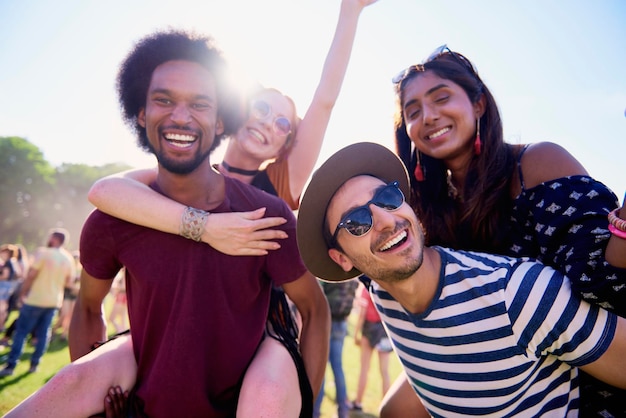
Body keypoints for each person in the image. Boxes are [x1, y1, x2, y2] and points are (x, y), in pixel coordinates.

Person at [59, 28, 327, 418]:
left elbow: (325, 102)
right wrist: (206, 227)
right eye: (164, 100)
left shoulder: (273, 205)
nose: (180, 116)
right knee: (64, 389)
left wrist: (304, 401)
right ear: (141, 112)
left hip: (261, 354)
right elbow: (104, 192)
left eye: (283, 124)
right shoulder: (131, 206)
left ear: (221, 119)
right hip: (162, 369)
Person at [296, 141, 626, 417]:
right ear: (342, 259)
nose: (385, 220)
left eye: (386, 198)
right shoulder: (384, 291)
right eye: (356, 221)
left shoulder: (518, 293)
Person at [385, 44, 626, 417]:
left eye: (441, 98)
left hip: (581, 369)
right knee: (393, 411)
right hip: (494, 359)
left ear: (478, 104)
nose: (428, 117)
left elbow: (599, 280)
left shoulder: (536, 164)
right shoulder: (427, 207)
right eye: (413, 111)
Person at [0, 229, 75, 376]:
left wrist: (22, 293)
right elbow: (68, 283)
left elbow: (31, 275)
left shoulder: (43, 253)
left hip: (35, 299)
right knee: (43, 334)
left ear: (54, 239)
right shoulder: (68, 259)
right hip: (54, 302)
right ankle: (34, 365)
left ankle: (11, 366)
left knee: (21, 332)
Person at [313, 279, 358, 418]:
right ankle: (343, 411)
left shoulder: (329, 276)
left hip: (326, 323)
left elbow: (317, 297)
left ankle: (315, 412)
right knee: (338, 367)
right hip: (341, 324)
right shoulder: (352, 278)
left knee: (321, 369)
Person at [349, 284, 392, 412]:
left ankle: (358, 402)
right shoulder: (385, 286)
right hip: (384, 330)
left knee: (364, 369)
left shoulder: (365, 288)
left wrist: (356, 334)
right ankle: (388, 406)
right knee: (384, 371)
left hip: (369, 330)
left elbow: (362, 314)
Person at [0, 244, 20, 331]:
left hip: (3, 286)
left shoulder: (8, 262)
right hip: (8, 286)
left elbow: (5, 275)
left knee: (1, 308)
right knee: (3, 307)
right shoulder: (13, 262)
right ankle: (2, 325)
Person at [108, 268, 128, 334]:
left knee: (111, 318)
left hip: (121, 297)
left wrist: (116, 287)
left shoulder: (125, 272)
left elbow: (124, 286)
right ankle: (124, 333)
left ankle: (120, 331)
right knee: (122, 318)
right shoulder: (124, 273)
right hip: (124, 297)